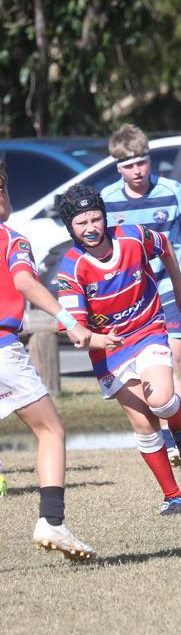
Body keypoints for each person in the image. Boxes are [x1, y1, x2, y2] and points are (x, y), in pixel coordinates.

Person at [56, 184, 181, 515]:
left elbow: (166, 248)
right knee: (143, 424)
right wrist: (95, 339)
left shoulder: (133, 237)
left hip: (148, 329)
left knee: (161, 400)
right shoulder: (71, 267)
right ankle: (174, 496)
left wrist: (180, 290)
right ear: (71, 228)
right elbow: (76, 331)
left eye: (96, 219)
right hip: (108, 349)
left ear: (104, 217)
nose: (91, 227)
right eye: (82, 223)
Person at [102, 124, 181, 462]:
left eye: (142, 163)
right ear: (118, 168)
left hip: (170, 291)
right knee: (143, 369)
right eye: (129, 166)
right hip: (132, 300)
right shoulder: (108, 201)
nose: (137, 171)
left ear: (150, 160)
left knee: (174, 360)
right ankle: (166, 437)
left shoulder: (173, 191)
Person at [0, 164, 96, 559]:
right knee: (51, 432)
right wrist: (70, 321)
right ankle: (52, 522)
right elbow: (24, 282)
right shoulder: (10, 238)